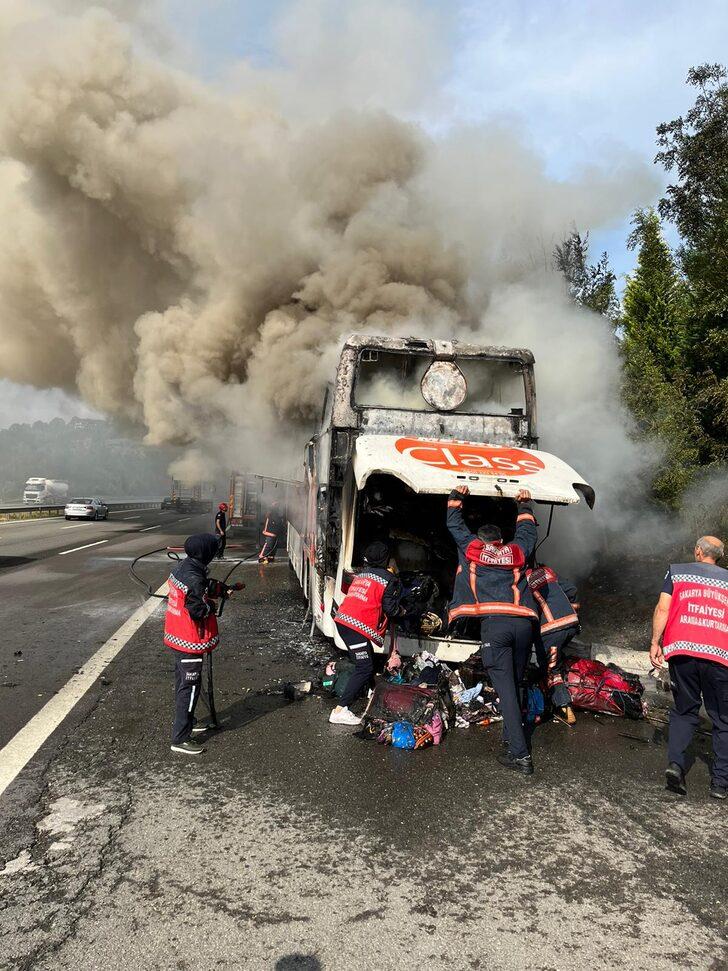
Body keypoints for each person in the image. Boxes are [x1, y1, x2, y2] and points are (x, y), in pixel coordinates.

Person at [447, 485, 538, 774]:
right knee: (517, 683)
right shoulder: (516, 552)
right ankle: (512, 740)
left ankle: (520, 754)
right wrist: (524, 505)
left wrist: (456, 497)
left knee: (506, 690)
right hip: (523, 623)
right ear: (501, 540)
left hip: (495, 627)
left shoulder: (472, 549)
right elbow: (528, 533)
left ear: (481, 540)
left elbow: (453, 524)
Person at [649, 535, 728, 799]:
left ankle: (676, 767)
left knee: (684, 710)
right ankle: (719, 784)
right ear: (719, 556)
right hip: (719, 655)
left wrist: (655, 642)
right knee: (722, 718)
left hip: (682, 651)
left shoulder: (676, 572)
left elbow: (663, 608)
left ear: (697, 551)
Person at [164, 533, 239, 756]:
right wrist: (212, 607)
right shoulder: (193, 577)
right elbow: (197, 609)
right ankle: (180, 738)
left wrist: (222, 589)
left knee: (183, 684)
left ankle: (188, 721)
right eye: (212, 550)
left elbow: (203, 586)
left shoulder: (186, 566)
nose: (215, 553)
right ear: (204, 553)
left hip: (177, 634)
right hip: (190, 639)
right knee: (190, 687)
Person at [329, 541, 404, 726]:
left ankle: (373, 692)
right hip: (353, 627)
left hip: (345, 621)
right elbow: (391, 608)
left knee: (367, 659)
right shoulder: (389, 578)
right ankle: (340, 710)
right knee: (364, 666)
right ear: (387, 559)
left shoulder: (362, 573)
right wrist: (403, 611)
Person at [527, 563, 580, 724]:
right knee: (556, 657)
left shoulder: (521, 582)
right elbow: (572, 590)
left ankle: (564, 706)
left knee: (550, 669)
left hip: (551, 631)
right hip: (571, 623)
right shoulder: (546, 572)